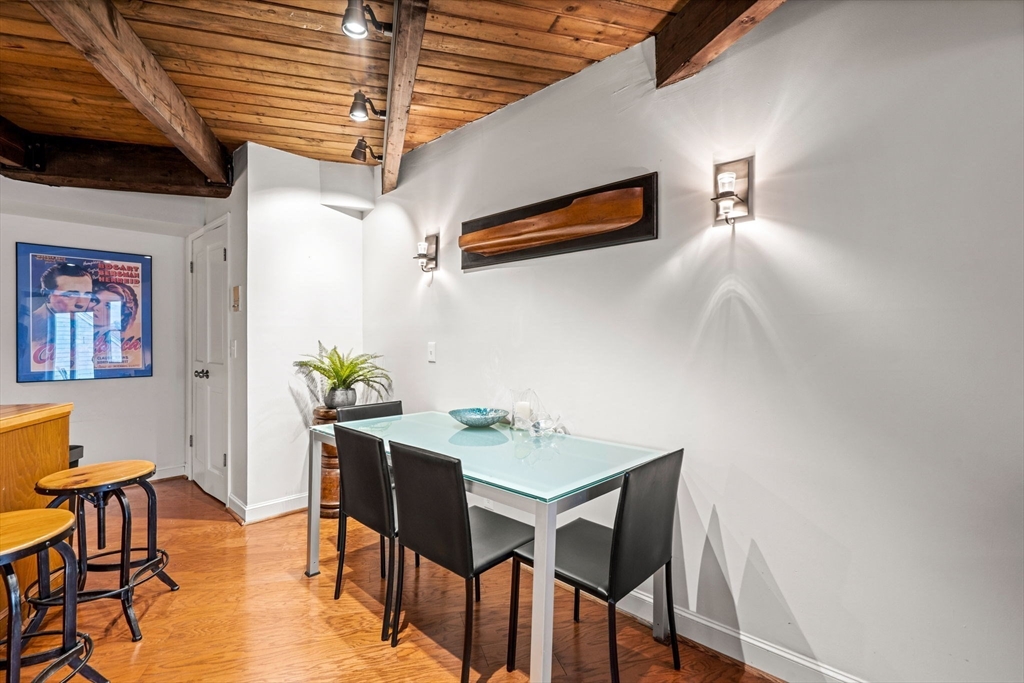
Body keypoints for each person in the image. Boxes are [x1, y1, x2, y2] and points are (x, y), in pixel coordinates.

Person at [30, 262, 95, 343]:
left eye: (87, 294)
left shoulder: (88, 326)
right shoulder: (30, 326)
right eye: (71, 294)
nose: (81, 303)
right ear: (47, 295)